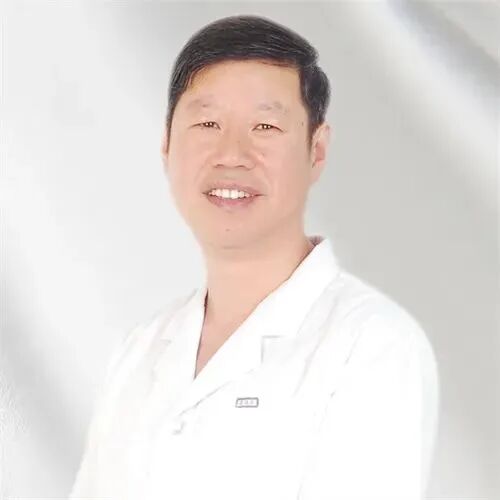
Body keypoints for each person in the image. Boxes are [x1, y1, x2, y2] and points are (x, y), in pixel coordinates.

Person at [69, 14, 439, 500]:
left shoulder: (373, 344)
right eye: (207, 123)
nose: (232, 154)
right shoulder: (140, 349)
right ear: (166, 144)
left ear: (316, 150)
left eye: (265, 126)